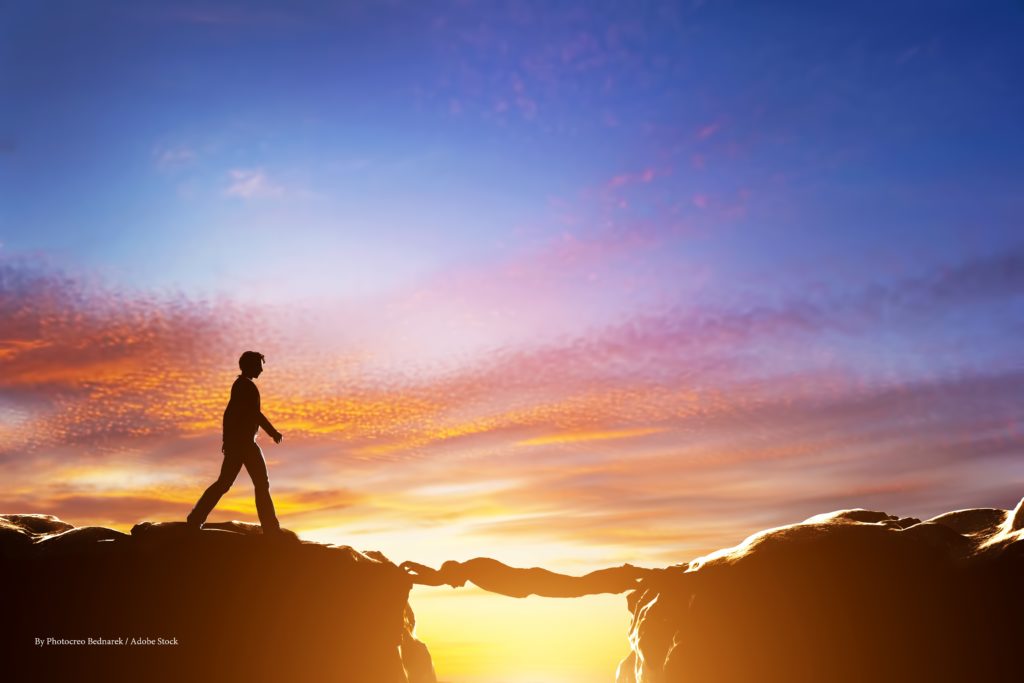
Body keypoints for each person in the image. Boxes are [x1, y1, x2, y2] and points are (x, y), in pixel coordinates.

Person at [186, 351, 284, 535]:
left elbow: (229, 413)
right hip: (244, 445)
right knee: (254, 484)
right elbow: (250, 413)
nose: (262, 370)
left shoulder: (242, 385)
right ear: (251, 366)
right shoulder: (244, 386)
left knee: (231, 483)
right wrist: (272, 432)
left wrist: (227, 439)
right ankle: (271, 527)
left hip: (241, 443)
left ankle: (196, 518)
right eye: (259, 366)